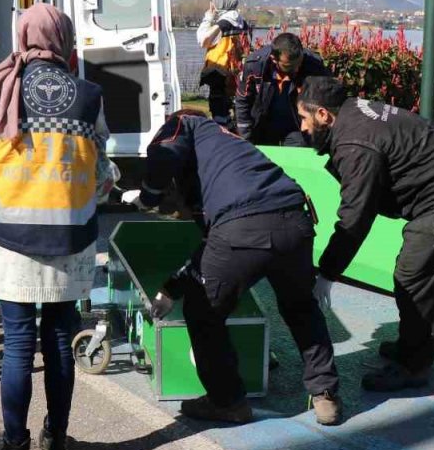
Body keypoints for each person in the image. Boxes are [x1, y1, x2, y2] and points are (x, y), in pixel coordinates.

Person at [0, 3, 115, 450]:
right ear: (63, 39)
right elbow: (102, 171)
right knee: (60, 340)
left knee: (19, 345)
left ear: (24, 37)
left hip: (12, 236)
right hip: (70, 234)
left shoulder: (0, 89)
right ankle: (58, 441)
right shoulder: (90, 95)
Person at [131, 111, 343, 426]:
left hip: (244, 226)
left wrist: (148, 196)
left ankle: (227, 401)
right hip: (296, 219)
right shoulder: (230, 145)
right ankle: (326, 394)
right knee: (300, 306)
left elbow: (166, 152)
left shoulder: (187, 122)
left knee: (203, 311)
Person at [298, 77, 434, 391]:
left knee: (415, 276)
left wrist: (328, 273)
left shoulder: (355, 143)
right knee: (415, 272)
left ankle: (415, 366)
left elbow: (355, 218)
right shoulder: (352, 114)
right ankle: (410, 345)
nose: (303, 128)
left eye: (304, 118)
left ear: (323, 115)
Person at [235, 31, 329, 147]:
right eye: (289, 66)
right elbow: (243, 101)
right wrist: (245, 137)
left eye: (299, 63)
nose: (296, 69)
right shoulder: (255, 65)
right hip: (263, 124)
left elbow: (326, 100)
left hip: (296, 125)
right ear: (274, 59)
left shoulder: (314, 65)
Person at [197, 0, 250, 125]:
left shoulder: (223, 24)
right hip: (237, 71)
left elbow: (203, 40)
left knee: (219, 109)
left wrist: (208, 17)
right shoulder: (242, 23)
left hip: (219, 71)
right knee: (238, 105)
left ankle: (223, 133)